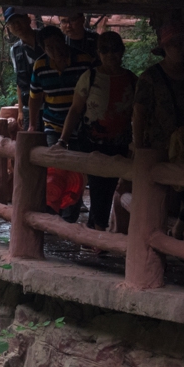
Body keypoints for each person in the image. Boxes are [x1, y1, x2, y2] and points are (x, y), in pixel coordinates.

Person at [59, 31, 136, 232]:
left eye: (115, 49)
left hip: (119, 141)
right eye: (105, 50)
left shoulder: (131, 79)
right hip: (92, 141)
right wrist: (63, 140)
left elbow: (139, 114)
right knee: (98, 184)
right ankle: (99, 229)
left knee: (109, 186)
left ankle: (95, 227)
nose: (111, 54)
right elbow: (75, 110)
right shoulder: (90, 77)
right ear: (98, 52)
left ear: (122, 51)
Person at [135, 18, 184, 232]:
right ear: (165, 47)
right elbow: (139, 113)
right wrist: (140, 147)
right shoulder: (150, 77)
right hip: (159, 147)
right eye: (176, 44)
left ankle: (175, 232)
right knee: (160, 196)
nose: (182, 49)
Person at [30, 24, 98, 143]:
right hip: (53, 125)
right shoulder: (40, 65)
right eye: (50, 47)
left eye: (58, 44)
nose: (56, 50)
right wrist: (32, 125)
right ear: (43, 49)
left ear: (64, 41)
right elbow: (35, 97)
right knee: (54, 158)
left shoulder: (84, 60)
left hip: (82, 124)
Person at [6, 9, 43, 131]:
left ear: (28, 19)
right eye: (12, 23)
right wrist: (20, 111)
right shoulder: (15, 50)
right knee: (32, 145)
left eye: (18, 20)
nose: (16, 25)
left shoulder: (45, 40)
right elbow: (20, 82)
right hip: (29, 108)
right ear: (9, 27)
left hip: (52, 105)